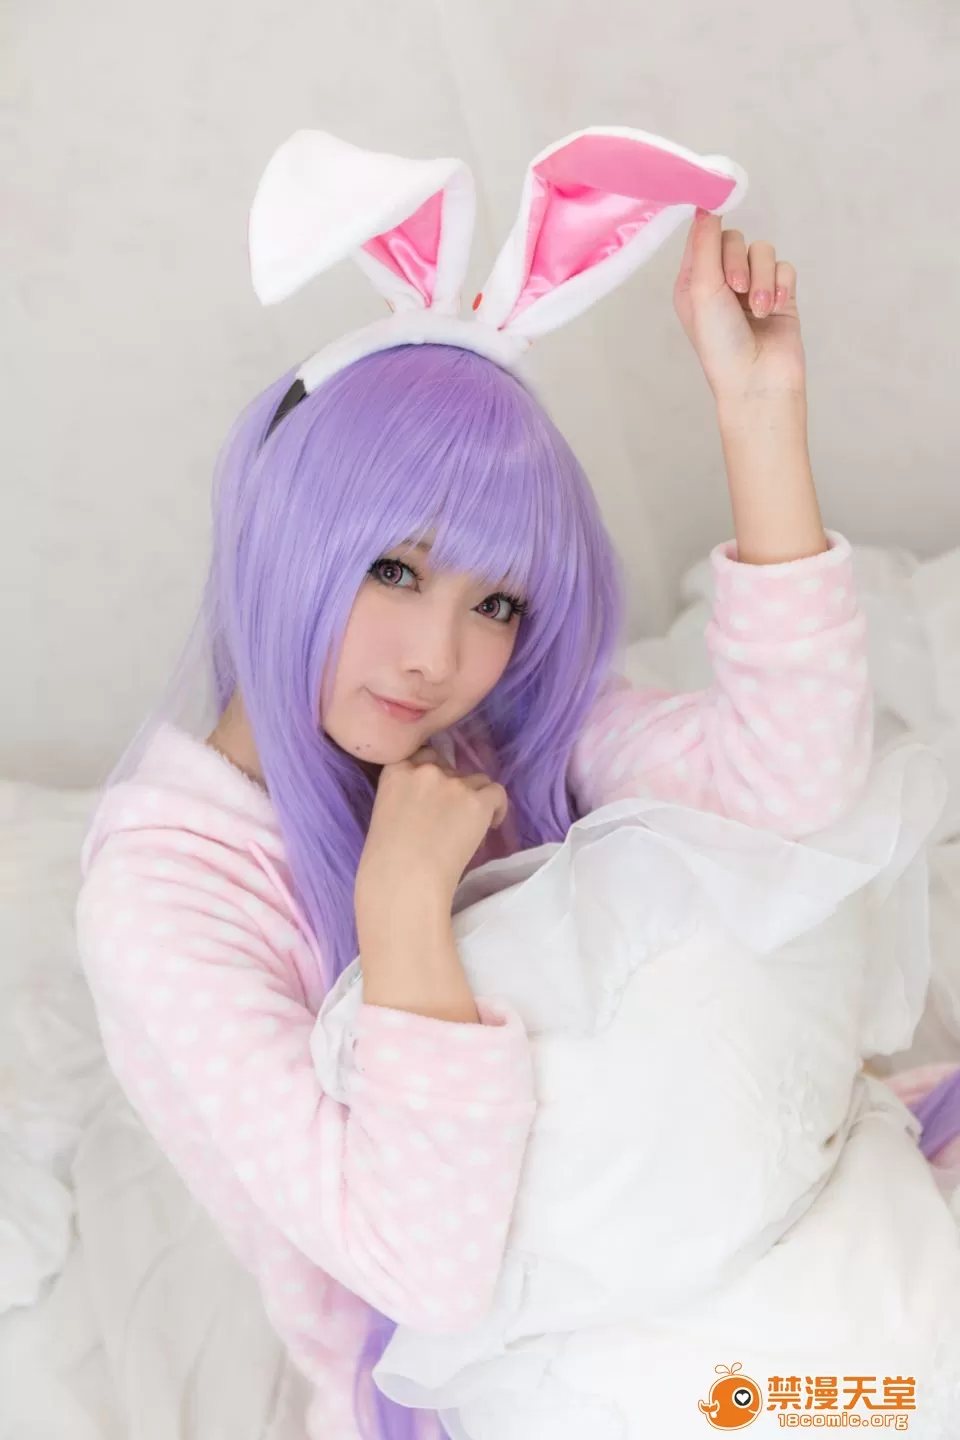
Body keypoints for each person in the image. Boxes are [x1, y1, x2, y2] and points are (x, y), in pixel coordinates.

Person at [76, 130, 875, 1440]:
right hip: (467, 1381)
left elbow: (797, 793)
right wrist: (401, 915)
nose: (437, 656)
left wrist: (759, 418)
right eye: (393, 568)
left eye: (494, 600)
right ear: (285, 535)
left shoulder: (493, 725)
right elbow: (424, 1276)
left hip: (677, 1229)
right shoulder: (162, 902)